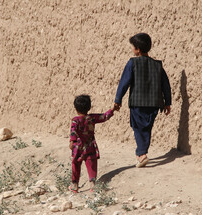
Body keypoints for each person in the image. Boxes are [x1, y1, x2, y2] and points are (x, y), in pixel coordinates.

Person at [114, 33, 172, 168]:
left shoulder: (132, 63)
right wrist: (167, 102)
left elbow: (124, 83)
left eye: (133, 47)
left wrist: (118, 100)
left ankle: (142, 154)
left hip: (137, 102)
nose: (132, 50)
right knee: (146, 128)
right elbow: (166, 85)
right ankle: (141, 152)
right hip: (154, 103)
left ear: (138, 49)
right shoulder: (157, 65)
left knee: (137, 127)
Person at [69, 95, 118, 193]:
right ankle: (93, 185)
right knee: (91, 166)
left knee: (76, 165)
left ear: (75, 108)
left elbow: (73, 132)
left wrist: (71, 142)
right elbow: (104, 117)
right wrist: (112, 109)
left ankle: (74, 186)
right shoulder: (91, 118)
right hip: (90, 146)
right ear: (89, 107)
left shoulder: (75, 120)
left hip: (78, 147)